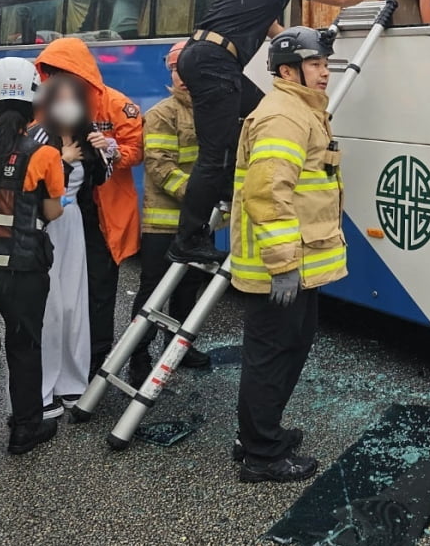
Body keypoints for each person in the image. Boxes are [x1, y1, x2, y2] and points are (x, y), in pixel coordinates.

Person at [169, 0, 392, 264]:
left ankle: (228, 184)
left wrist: (295, 39)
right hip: (215, 63)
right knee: (214, 155)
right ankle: (187, 239)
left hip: (203, 55)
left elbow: (269, 24)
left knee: (261, 112)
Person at [230, 27, 348, 483]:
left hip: (299, 267)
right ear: (288, 70)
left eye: (324, 64)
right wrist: (282, 266)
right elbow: (267, 195)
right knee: (272, 355)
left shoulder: (300, 111)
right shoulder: (285, 116)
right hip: (282, 269)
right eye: (316, 64)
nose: (325, 72)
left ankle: (261, 431)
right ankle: (261, 454)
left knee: (288, 348)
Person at [0, 56, 67, 459]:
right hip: (25, 270)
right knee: (24, 348)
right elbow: (52, 212)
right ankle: (25, 428)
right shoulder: (43, 155)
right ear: (34, 98)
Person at [34, 37, 142, 375]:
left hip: (102, 216)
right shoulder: (45, 107)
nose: (57, 80)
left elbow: (136, 149)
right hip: (58, 214)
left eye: (64, 72)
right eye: (52, 74)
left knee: (98, 291)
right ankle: (60, 360)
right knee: (56, 292)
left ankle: (95, 362)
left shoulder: (116, 104)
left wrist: (111, 150)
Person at [129, 39, 210, 384]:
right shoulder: (162, 113)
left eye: (185, 69)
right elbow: (161, 168)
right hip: (164, 225)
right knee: (152, 291)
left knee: (188, 289)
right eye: (175, 70)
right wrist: (198, 196)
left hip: (195, 221)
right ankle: (137, 354)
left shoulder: (209, 110)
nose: (180, 76)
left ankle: (180, 347)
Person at [35, 73, 106, 417]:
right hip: (44, 224)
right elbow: (29, 187)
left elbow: (99, 180)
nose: (66, 105)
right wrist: (61, 161)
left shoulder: (87, 137)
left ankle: (72, 383)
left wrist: (107, 150)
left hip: (73, 223)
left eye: (72, 98)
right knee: (49, 308)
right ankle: (42, 388)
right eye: (58, 97)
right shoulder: (38, 137)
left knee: (74, 306)